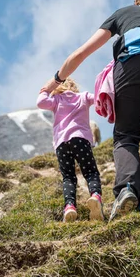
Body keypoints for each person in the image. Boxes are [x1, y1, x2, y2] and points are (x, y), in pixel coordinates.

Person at [40, 0, 140, 221]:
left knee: (126, 136)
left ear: (137, 1)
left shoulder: (124, 13)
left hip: (133, 66)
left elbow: (81, 53)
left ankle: (128, 189)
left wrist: (55, 81)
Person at [37, 78, 104, 222]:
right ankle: (95, 196)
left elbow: (40, 102)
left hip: (61, 144)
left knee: (68, 177)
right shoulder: (83, 97)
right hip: (80, 139)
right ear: (74, 86)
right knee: (91, 172)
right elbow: (99, 97)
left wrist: (46, 89)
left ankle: (69, 207)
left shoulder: (55, 99)